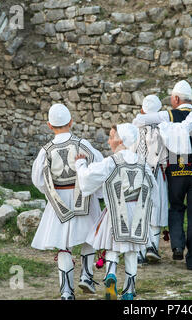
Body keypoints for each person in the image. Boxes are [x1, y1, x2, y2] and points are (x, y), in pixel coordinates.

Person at [132, 80, 192, 270]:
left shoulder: (168, 115)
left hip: (176, 171)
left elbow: (141, 120)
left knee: (176, 207)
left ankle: (177, 244)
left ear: (176, 98)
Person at [75, 123, 159, 300]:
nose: (109, 140)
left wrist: (80, 164)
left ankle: (111, 274)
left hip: (115, 210)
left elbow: (89, 177)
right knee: (131, 250)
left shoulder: (111, 161)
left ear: (120, 140)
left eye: (111, 136)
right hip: (137, 211)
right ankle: (129, 290)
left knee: (112, 246)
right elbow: (153, 187)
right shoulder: (142, 163)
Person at [31, 103, 103, 300]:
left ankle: (66, 291)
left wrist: (51, 195)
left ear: (49, 125)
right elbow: (99, 167)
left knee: (64, 244)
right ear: (71, 122)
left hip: (59, 200)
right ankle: (87, 277)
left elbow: (38, 180)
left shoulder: (45, 151)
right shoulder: (83, 144)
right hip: (83, 197)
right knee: (90, 237)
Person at [132, 95, 169, 265]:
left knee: (140, 210)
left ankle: (140, 252)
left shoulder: (135, 127)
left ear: (143, 110)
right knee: (157, 207)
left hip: (139, 173)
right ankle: (151, 247)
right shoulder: (166, 127)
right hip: (158, 173)